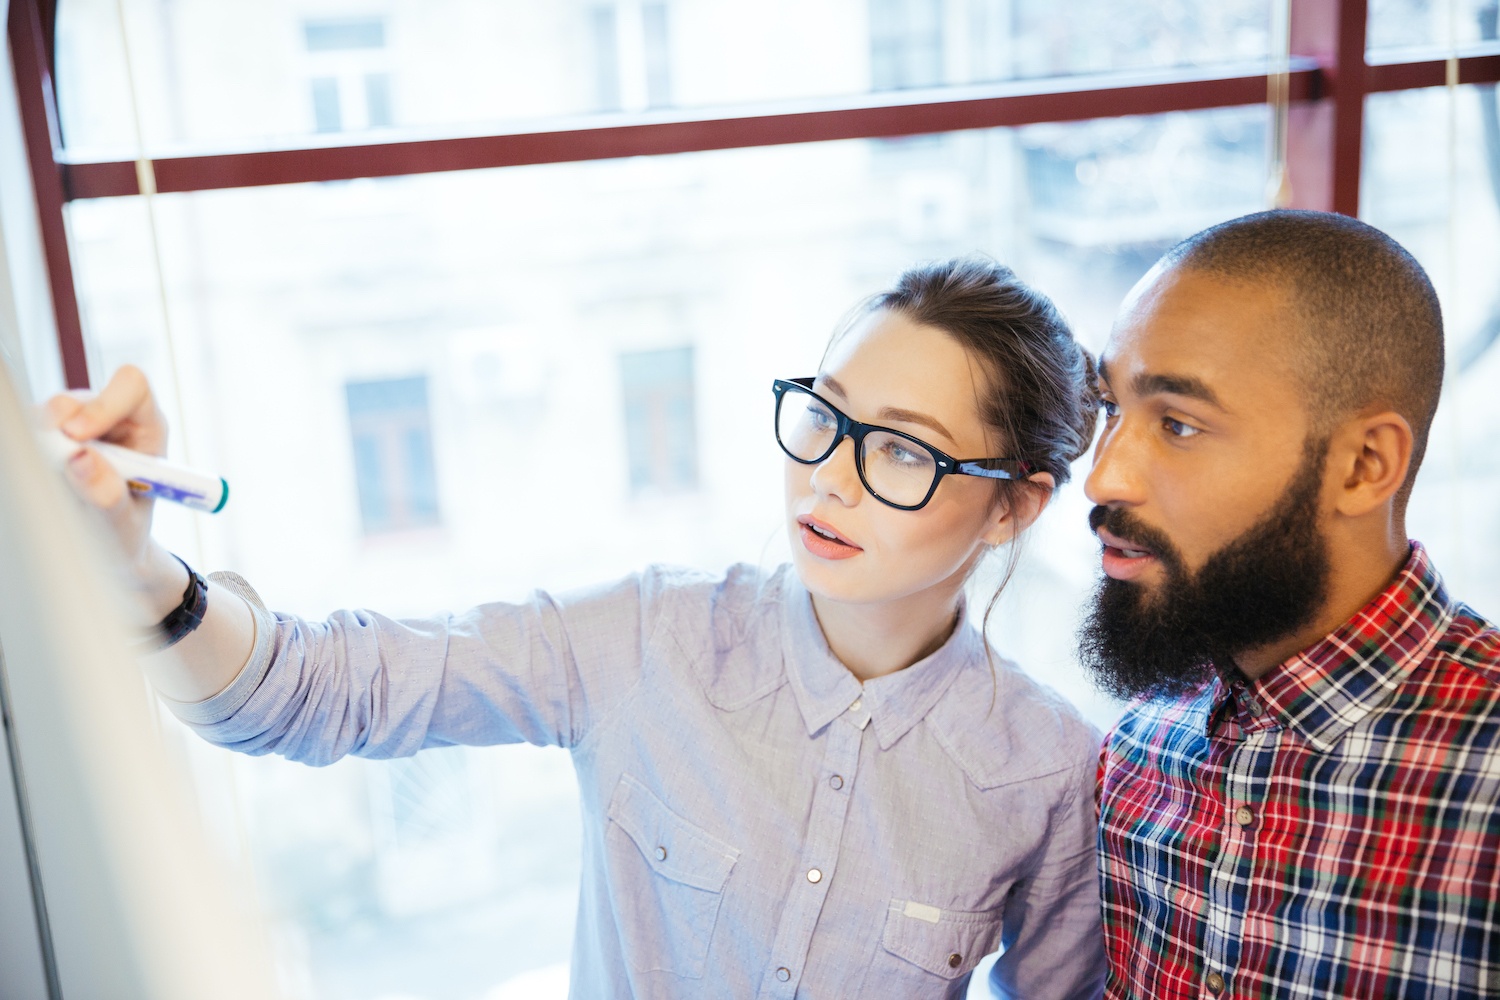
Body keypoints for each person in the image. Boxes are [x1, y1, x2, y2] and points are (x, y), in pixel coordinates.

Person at [50, 256, 1107, 999]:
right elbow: (316, 691)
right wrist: (142, 571)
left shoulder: (1047, 772)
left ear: (1016, 503)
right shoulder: (653, 638)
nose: (829, 478)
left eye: (903, 453)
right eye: (824, 417)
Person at [1080, 209, 1500, 999]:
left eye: (1177, 423)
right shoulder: (1137, 749)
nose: (1104, 478)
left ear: (1363, 466)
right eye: (1110, 409)